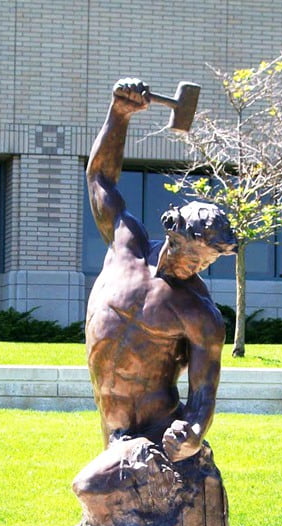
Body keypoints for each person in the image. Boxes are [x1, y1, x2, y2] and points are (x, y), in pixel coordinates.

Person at [85, 78, 237, 465]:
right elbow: (100, 178)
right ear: (173, 232)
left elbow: (203, 394)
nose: (199, 266)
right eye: (195, 254)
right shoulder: (126, 246)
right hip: (112, 423)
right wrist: (119, 115)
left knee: (90, 485)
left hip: (155, 434)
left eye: (208, 261)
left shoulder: (200, 314)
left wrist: (193, 434)